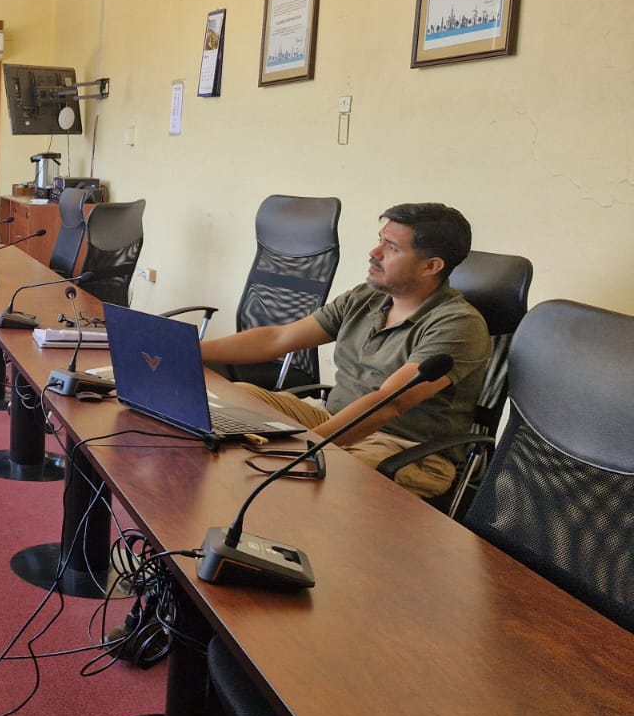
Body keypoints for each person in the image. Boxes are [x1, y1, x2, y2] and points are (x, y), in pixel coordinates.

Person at [199, 202, 491, 498]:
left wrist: (304, 448)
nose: (374, 253)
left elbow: (389, 403)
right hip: (331, 419)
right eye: (379, 240)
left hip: (403, 450)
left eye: (391, 248)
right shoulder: (366, 298)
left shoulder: (458, 324)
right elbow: (277, 339)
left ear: (431, 266)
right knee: (230, 400)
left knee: (311, 477)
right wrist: (189, 350)